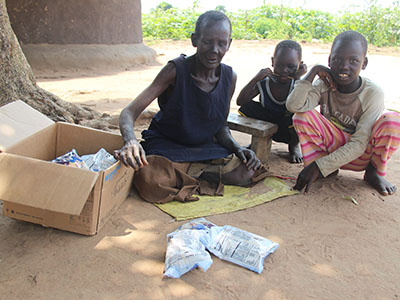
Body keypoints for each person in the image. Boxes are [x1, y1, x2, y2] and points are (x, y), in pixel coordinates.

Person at [114, 11, 265, 202]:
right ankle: (200, 172)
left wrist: (237, 148)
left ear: (229, 43)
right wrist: (130, 141)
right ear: (195, 40)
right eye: (207, 42)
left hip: (204, 147)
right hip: (168, 144)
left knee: (247, 172)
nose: (214, 50)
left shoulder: (229, 76)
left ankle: (186, 172)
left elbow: (220, 126)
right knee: (150, 179)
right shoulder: (174, 71)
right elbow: (129, 111)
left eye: (221, 43)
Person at [286, 30, 400, 196]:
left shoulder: (373, 93)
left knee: (393, 122)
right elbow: (294, 106)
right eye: (337, 59)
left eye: (353, 60)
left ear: (364, 63)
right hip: (331, 151)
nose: (344, 66)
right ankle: (326, 170)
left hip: (361, 155)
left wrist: (320, 166)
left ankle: (374, 172)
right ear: (329, 61)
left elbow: (360, 143)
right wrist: (313, 71)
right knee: (301, 116)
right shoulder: (323, 84)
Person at [236, 40, 307, 163]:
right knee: (247, 107)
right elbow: (240, 101)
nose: (284, 70)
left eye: (291, 67)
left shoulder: (297, 84)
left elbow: (302, 105)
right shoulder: (265, 82)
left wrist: (298, 78)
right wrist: (256, 78)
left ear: (299, 65)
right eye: (279, 65)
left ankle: (294, 146)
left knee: (300, 115)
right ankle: (259, 141)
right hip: (267, 124)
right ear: (273, 62)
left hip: (287, 131)